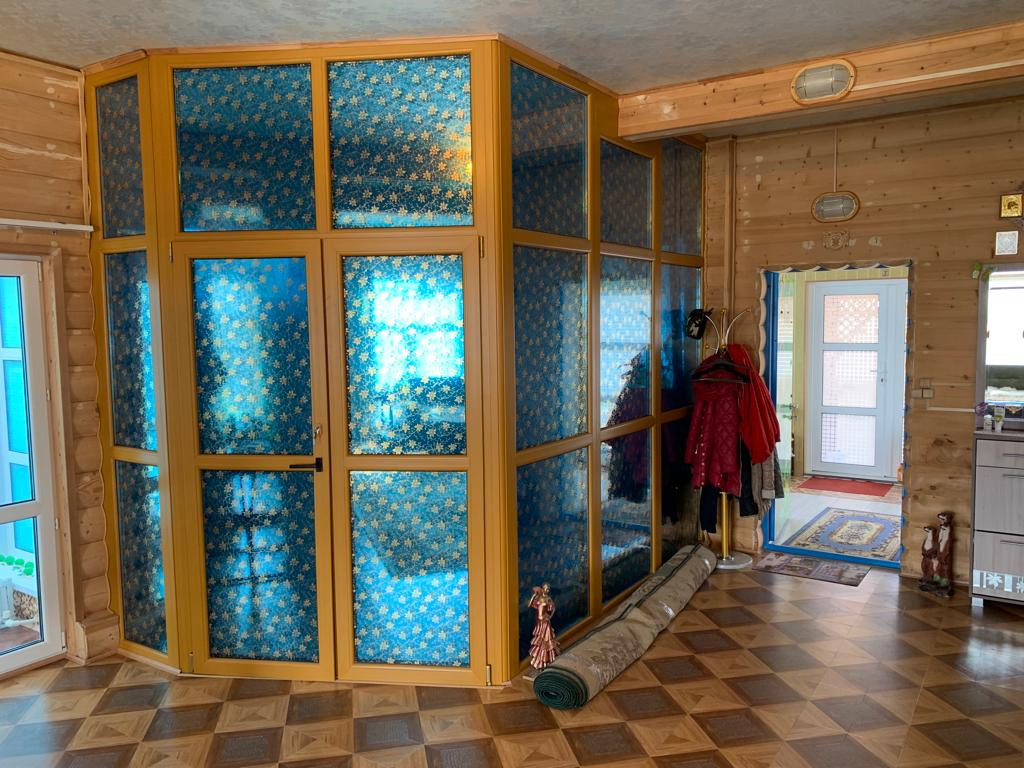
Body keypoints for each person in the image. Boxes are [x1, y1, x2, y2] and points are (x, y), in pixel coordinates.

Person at [528, 584, 558, 669]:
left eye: (548, 589)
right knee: (539, 639)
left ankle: (545, 659)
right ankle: (539, 659)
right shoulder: (538, 597)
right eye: (546, 588)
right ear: (542, 588)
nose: (547, 590)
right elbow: (530, 605)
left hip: (545, 621)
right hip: (538, 621)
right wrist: (534, 596)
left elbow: (554, 608)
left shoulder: (548, 598)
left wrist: (550, 616)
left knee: (545, 639)